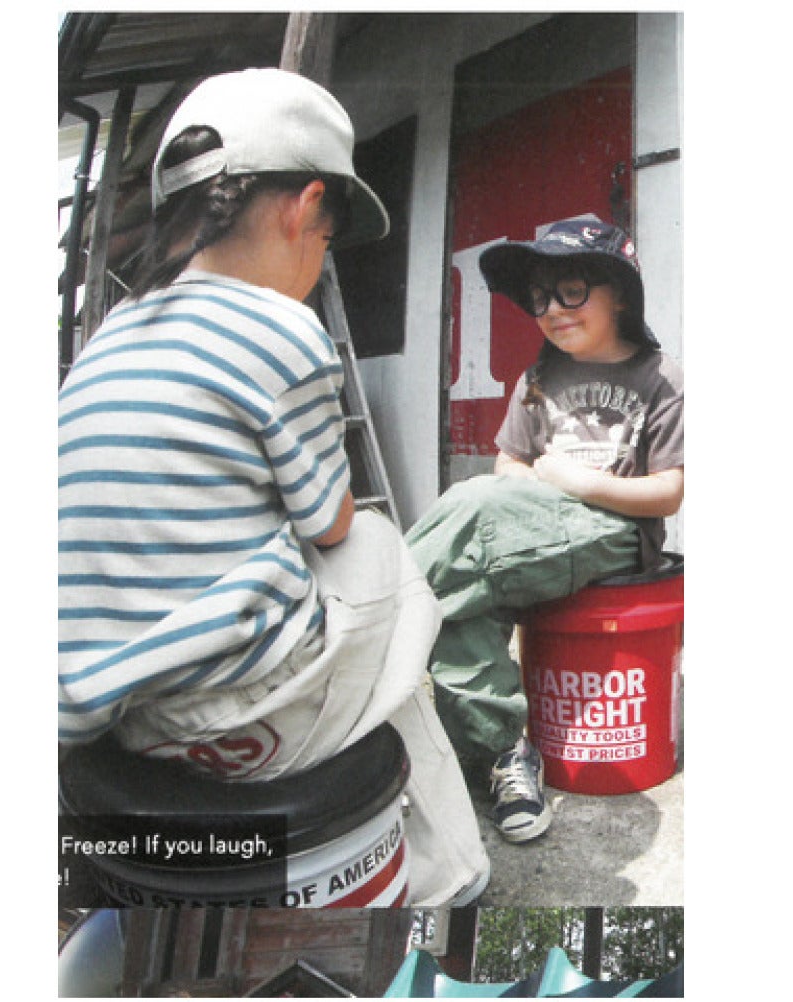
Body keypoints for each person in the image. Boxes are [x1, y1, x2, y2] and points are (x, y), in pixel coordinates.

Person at [58, 67, 489, 906]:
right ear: (305, 207)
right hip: (235, 721)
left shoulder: (110, 334)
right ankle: (455, 876)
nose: (319, 261)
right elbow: (329, 524)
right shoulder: (282, 326)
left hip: (114, 719)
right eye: (328, 239)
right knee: (381, 552)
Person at [406, 214, 684, 844]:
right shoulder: (537, 378)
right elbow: (509, 467)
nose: (553, 309)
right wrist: (540, 480)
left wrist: (575, 482)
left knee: (472, 514)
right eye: (539, 298)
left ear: (620, 294)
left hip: (615, 534)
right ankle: (503, 753)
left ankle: (364, 626)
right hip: (539, 526)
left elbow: (669, 491)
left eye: (572, 291)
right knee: (462, 593)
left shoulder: (661, 377)